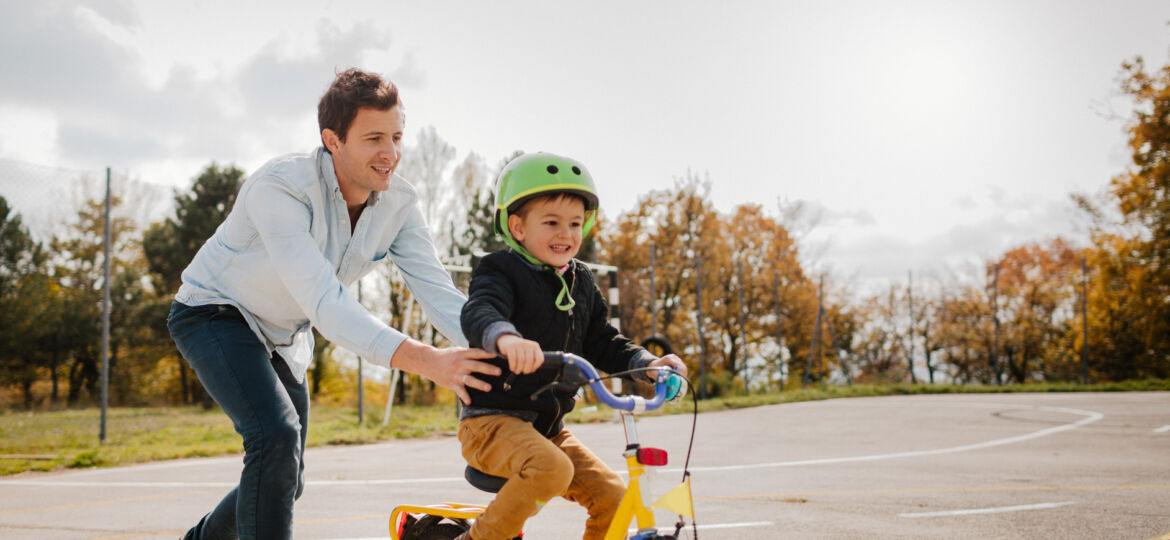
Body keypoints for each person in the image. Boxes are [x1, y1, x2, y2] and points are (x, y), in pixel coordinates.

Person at [166, 68, 500, 540]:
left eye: (397, 136)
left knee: (287, 475)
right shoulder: (280, 188)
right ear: (333, 140)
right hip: (214, 313)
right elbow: (326, 302)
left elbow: (440, 292)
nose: (391, 153)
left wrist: (503, 345)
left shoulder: (399, 202)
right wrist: (428, 361)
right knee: (275, 439)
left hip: (282, 334)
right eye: (374, 138)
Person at [457, 152, 688, 540]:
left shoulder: (582, 283)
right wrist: (506, 337)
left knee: (614, 494)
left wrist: (648, 363)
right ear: (517, 227)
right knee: (554, 469)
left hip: (548, 429)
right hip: (491, 421)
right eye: (551, 222)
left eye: (575, 223)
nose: (565, 233)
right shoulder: (499, 270)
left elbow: (603, 340)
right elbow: (480, 310)